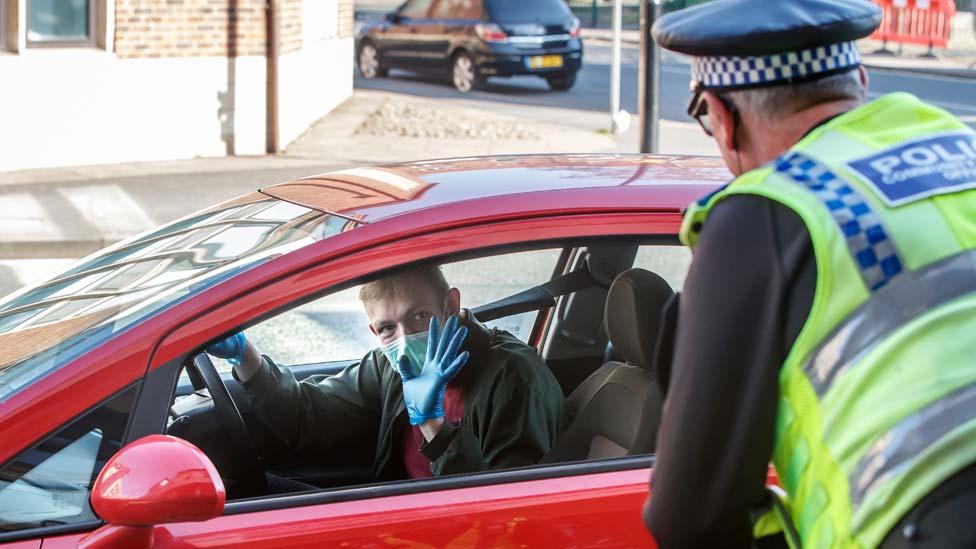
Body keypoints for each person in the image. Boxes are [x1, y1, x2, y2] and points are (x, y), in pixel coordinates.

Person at [644, 0, 976, 547]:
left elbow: (689, 516)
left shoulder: (765, 213)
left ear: (722, 120)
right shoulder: (956, 147)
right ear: (860, 83)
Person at [207, 263, 565, 480]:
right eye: (388, 328)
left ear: (452, 306)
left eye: (420, 316)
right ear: (374, 334)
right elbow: (309, 415)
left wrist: (432, 424)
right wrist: (244, 356)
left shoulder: (514, 378)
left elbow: (506, 512)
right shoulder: (393, 365)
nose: (405, 339)